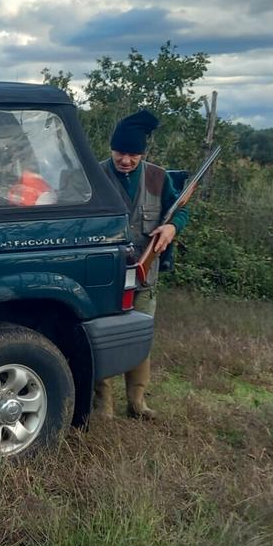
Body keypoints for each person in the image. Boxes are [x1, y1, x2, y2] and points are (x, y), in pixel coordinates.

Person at [93, 109, 189, 419]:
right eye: (121, 153)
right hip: (105, 273)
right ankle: (102, 403)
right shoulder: (93, 174)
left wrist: (173, 227)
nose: (126, 160)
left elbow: (180, 212)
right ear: (112, 150)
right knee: (102, 335)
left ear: (142, 154)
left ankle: (137, 402)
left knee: (141, 333)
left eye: (134, 154)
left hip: (147, 272)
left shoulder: (159, 176)